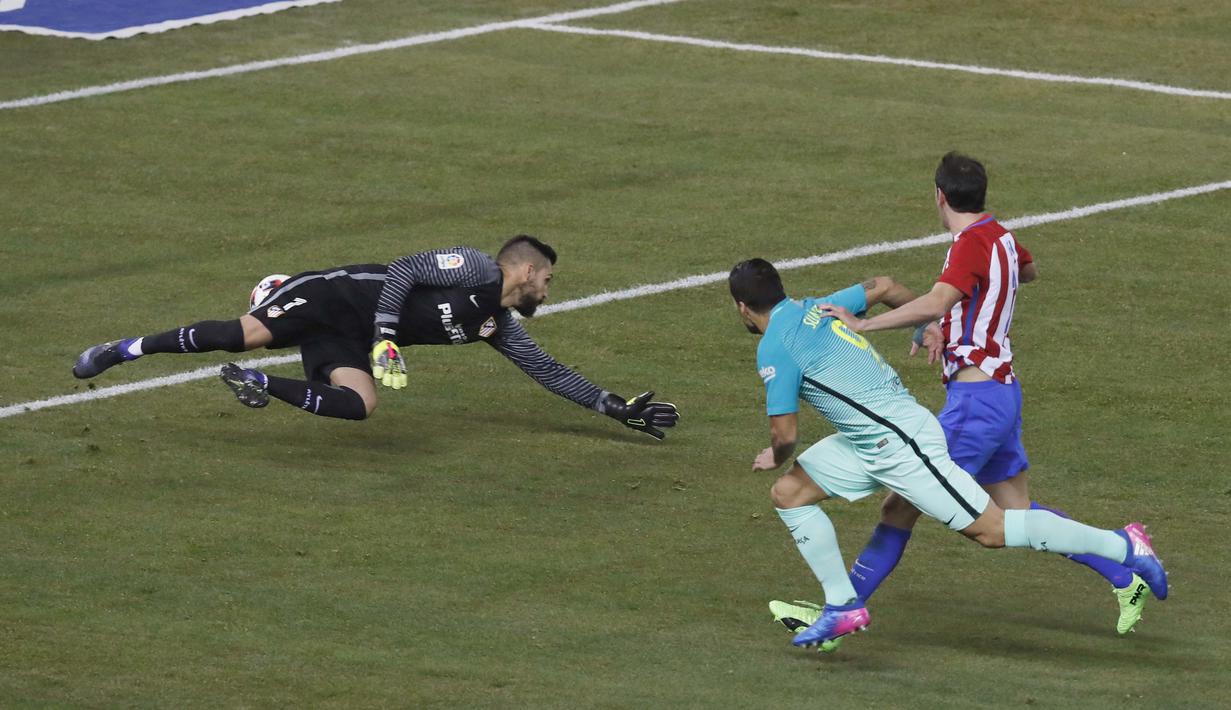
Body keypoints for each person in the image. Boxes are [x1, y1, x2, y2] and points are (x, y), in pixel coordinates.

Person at [784, 153, 1149, 638]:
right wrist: (956, 324)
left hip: (975, 403)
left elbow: (937, 300)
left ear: (939, 196)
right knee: (1018, 513)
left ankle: (841, 611)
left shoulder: (969, 245)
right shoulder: (1002, 237)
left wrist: (865, 322)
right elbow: (1027, 272)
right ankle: (1126, 575)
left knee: (900, 506)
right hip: (1001, 392)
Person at [728, 257, 1166, 650]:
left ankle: (1123, 545)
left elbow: (784, 434)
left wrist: (774, 453)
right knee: (789, 494)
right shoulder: (814, 307)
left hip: (901, 443)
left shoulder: (774, 348)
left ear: (743, 308)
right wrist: (923, 325)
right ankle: (842, 605)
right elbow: (881, 285)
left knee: (993, 530)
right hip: (869, 439)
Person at [72, 235, 679, 439]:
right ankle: (122, 350)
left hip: (351, 333)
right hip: (338, 294)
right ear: (523, 271)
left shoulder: (497, 326)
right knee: (245, 332)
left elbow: (546, 370)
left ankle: (258, 385)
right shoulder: (475, 268)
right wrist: (387, 336)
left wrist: (612, 406)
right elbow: (404, 270)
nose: (549, 288)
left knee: (361, 405)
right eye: (546, 278)